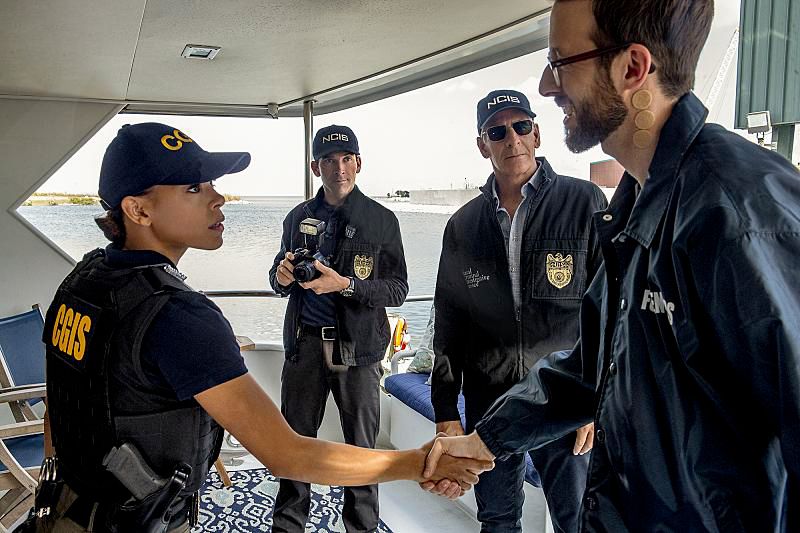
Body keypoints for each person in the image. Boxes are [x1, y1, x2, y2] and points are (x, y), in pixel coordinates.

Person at [423, 0, 800, 530]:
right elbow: (589, 367)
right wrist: (484, 439)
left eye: (559, 63)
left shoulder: (739, 212)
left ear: (631, 69)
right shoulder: (635, 206)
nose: (548, 87)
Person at [34, 122, 491, 533]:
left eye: (213, 183)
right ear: (138, 210)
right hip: (138, 519)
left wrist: (344, 284)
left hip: (65, 508)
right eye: (194, 187)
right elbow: (287, 453)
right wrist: (419, 463)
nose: (218, 197)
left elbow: (62, 392)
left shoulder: (85, 279)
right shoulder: (178, 315)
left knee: (360, 438)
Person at [431, 89, 607, 533]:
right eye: (497, 131)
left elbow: (610, 312)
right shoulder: (463, 225)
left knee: (579, 517)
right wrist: (446, 411)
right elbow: (450, 324)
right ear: (482, 144)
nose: (512, 139)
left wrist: (594, 404)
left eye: (521, 126)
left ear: (537, 132)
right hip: (490, 398)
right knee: (497, 518)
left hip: (562, 396)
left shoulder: (585, 203)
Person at [269, 125, 409, 533]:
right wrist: (280, 276)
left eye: (346, 158)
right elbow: (278, 280)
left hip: (359, 351)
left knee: (361, 451)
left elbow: (398, 289)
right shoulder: (298, 217)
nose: (339, 168)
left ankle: (361, 528)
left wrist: (345, 284)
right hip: (305, 348)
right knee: (294, 445)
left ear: (359, 163)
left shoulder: (381, 220)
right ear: (316, 167)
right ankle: (289, 526)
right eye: (329, 160)